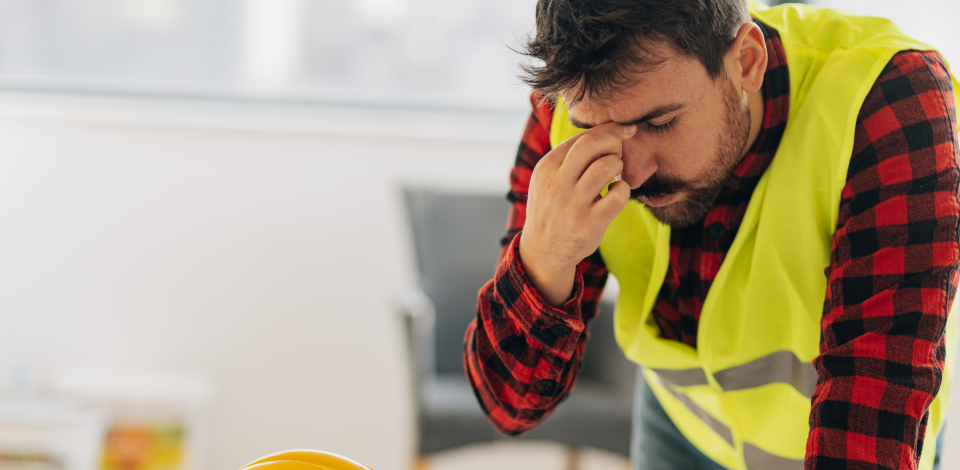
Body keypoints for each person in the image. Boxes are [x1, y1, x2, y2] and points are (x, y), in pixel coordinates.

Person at [462, 1, 960, 469]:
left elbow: (873, 394)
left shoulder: (890, 99)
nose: (631, 173)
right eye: (596, 131)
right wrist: (544, 259)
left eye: (659, 123)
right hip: (681, 426)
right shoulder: (566, 108)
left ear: (746, 60)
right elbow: (508, 406)